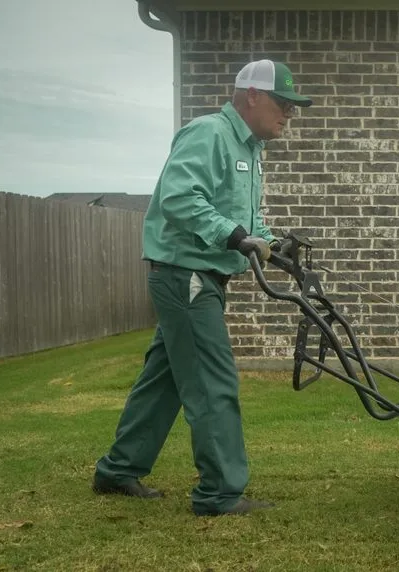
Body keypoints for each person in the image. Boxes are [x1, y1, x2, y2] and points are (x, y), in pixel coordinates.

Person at [91, 59, 313, 516]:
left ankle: (118, 469)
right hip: (185, 276)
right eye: (283, 103)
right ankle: (219, 493)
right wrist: (234, 237)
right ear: (252, 95)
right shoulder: (209, 134)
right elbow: (177, 198)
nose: (289, 114)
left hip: (200, 275)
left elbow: (244, 220)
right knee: (213, 383)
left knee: (165, 380)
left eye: (293, 107)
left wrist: (273, 244)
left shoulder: (249, 150)